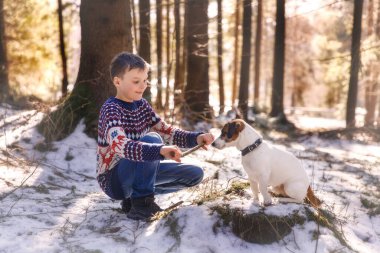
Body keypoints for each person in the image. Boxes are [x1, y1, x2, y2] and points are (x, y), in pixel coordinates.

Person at [96, 52, 214, 221]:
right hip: (114, 179)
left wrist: (197, 138)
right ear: (117, 81)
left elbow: (167, 131)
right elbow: (121, 146)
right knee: (152, 139)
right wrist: (159, 151)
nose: (143, 86)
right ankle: (142, 204)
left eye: (145, 80)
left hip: (138, 172)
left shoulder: (142, 105)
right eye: (136, 81)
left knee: (195, 174)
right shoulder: (111, 109)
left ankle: (134, 199)